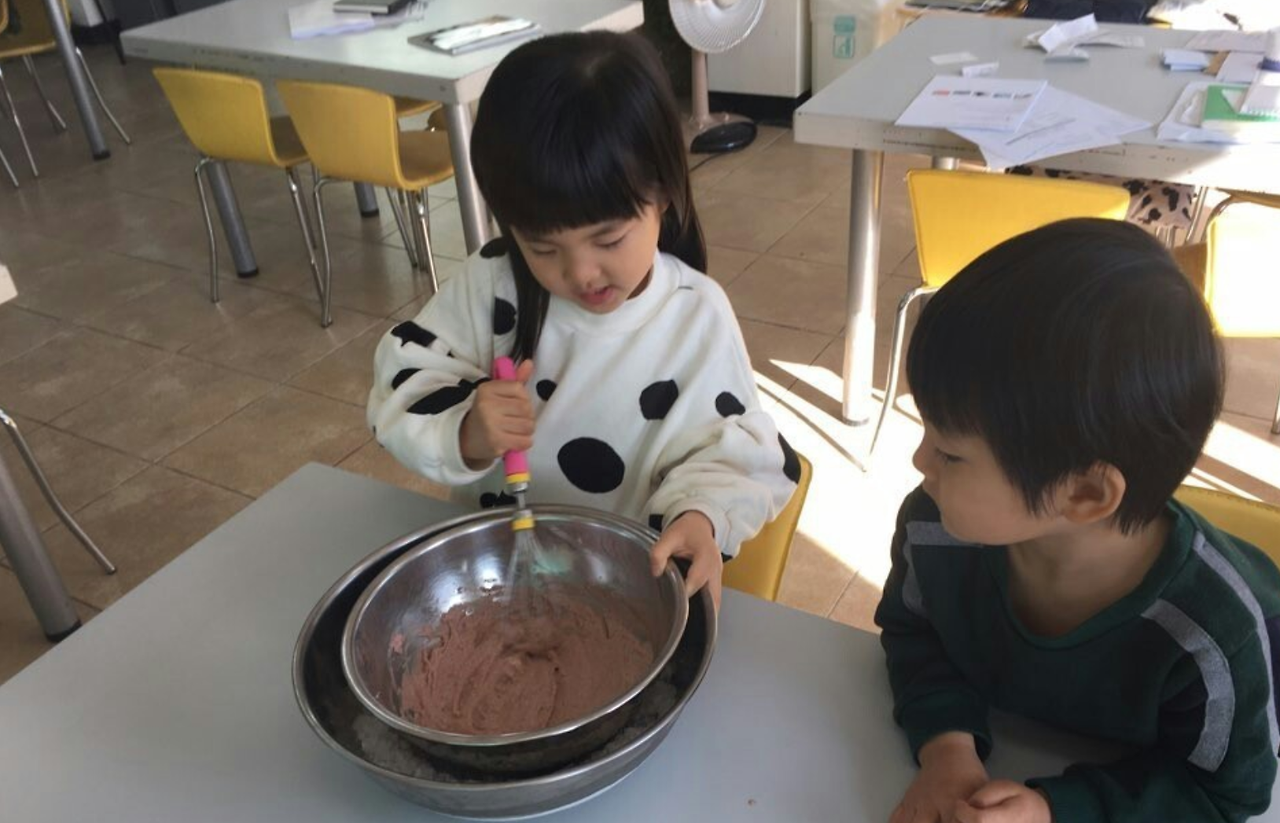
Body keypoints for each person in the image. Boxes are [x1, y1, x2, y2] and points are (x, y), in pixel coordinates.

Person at [367, 31, 798, 608]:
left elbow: (733, 455)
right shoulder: (493, 284)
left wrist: (701, 515)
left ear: (663, 194)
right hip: (494, 582)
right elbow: (400, 386)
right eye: (542, 247)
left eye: (609, 239)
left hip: (623, 590)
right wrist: (467, 430)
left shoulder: (695, 316)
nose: (581, 273)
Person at [876, 218, 1280, 823]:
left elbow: (1226, 794)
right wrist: (947, 748)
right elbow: (915, 633)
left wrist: (1057, 808)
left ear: (1085, 494)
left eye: (950, 452)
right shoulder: (936, 529)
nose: (919, 462)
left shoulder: (1216, 635)